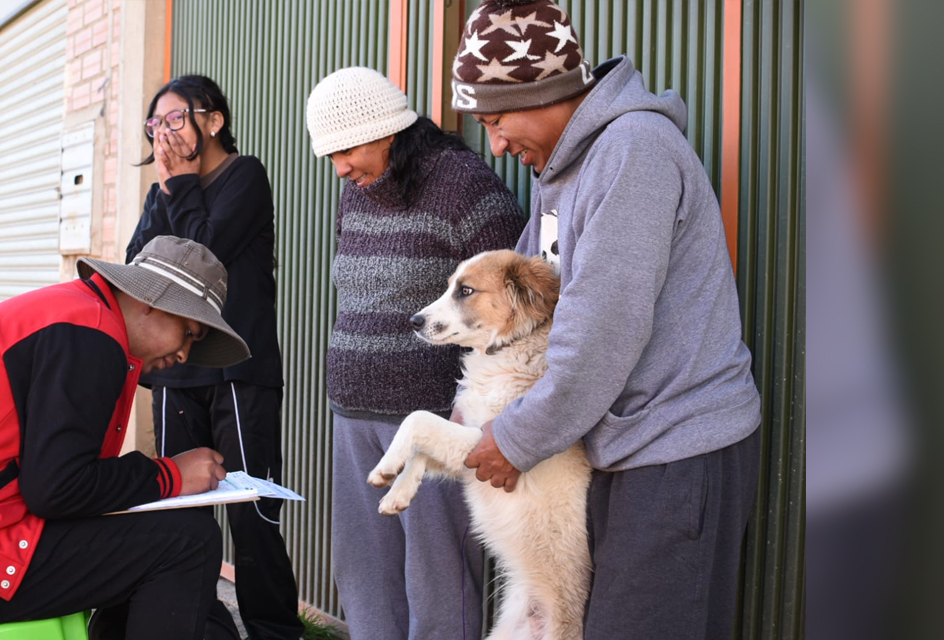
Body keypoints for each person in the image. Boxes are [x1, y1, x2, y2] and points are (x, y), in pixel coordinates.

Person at [449, 1, 762, 638]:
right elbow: (537, 314)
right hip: (620, 446)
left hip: (678, 449)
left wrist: (516, 437)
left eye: (497, 117)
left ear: (548, 91)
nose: (498, 143)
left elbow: (599, 333)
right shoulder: (563, 170)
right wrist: (479, 407)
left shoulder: (632, 153)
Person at [0, 236, 250, 640]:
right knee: (190, 542)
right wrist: (170, 475)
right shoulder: (90, 337)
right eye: (188, 333)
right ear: (152, 301)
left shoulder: (79, 317)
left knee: (166, 532)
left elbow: (58, 482)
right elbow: (56, 489)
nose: (185, 356)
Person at [305, 67, 525, 640]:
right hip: (354, 412)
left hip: (432, 418)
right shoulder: (355, 194)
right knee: (365, 575)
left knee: (439, 582)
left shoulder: (465, 189)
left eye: (347, 150)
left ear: (387, 131)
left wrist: (478, 407)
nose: (340, 168)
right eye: (329, 156)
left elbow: (513, 309)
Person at [124, 75, 303, 640]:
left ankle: (275, 631)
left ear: (214, 120)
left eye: (176, 119)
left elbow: (204, 256)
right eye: (155, 124)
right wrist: (170, 190)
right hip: (177, 373)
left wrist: (179, 186)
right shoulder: (165, 191)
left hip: (238, 371)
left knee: (252, 516)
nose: (165, 134)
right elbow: (140, 266)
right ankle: (201, 630)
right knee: (185, 516)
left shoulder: (244, 176)